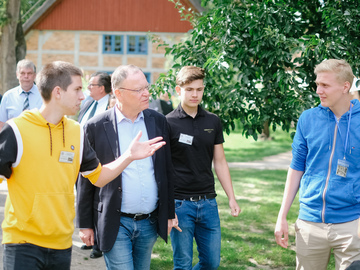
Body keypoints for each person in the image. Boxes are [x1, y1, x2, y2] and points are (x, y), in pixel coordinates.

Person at [0, 61, 166, 270]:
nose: (83, 96)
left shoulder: (76, 131)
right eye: (78, 89)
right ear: (58, 92)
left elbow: (98, 177)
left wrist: (129, 156)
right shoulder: (17, 130)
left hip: (61, 244)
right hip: (21, 243)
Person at [76, 64, 180, 270]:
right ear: (118, 93)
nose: (146, 93)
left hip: (149, 221)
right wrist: (85, 224)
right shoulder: (95, 126)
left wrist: (169, 213)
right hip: (115, 221)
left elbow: (166, 170)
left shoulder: (158, 121)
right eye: (138, 89)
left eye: (146, 87)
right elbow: (85, 180)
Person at [274, 59, 360, 270]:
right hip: (310, 223)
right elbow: (296, 168)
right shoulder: (308, 119)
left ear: (345, 86)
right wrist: (282, 216)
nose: (318, 90)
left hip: (352, 224)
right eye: (317, 84)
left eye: (325, 85)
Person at [166, 66, 241, 270]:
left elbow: (220, 162)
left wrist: (231, 197)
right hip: (180, 204)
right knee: (182, 264)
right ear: (178, 90)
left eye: (199, 89)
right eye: (189, 89)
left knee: (211, 263)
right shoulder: (168, 123)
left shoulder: (213, 121)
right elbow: (162, 168)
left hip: (208, 203)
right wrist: (167, 207)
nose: (195, 94)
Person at [77, 71, 112, 258]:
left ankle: (99, 243)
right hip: (82, 157)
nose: (87, 88)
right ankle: (89, 238)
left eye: (91, 85)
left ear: (102, 88)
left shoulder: (110, 104)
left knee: (99, 199)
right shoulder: (88, 103)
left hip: (101, 159)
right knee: (84, 198)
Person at [0, 59, 43, 130]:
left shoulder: (44, 95)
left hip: (38, 138)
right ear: (17, 75)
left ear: (35, 75)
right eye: (22, 73)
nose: (26, 76)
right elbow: (1, 123)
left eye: (29, 73)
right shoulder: (8, 96)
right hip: (14, 139)